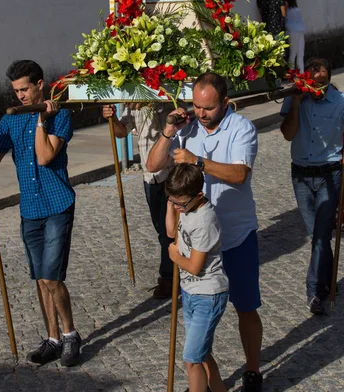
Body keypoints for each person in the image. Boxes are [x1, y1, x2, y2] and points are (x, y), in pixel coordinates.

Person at [147, 72, 263, 392]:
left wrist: (199, 162)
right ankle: (203, 377)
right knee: (198, 322)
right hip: (195, 240)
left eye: (208, 108)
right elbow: (153, 165)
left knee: (246, 306)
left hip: (235, 235)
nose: (201, 113)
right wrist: (169, 131)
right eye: (197, 106)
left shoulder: (242, 129)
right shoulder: (187, 128)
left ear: (225, 103)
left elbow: (240, 174)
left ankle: (252, 370)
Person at [0, 60, 81, 366]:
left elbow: (44, 157)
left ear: (40, 84)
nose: (20, 96)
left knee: (52, 277)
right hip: (29, 208)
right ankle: (53, 339)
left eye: (25, 89)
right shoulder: (11, 120)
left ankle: (71, 336)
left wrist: (43, 119)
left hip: (57, 204)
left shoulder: (61, 116)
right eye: (16, 90)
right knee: (41, 280)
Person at [280, 58, 344, 315]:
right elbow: (288, 134)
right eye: (312, 69)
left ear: (328, 74)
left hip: (331, 174)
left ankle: (314, 291)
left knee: (320, 237)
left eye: (322, 69)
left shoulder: (340, 102)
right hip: (301, 176)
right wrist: (295, 102)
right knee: (317, 238)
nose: (317, 74)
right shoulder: (294, 99)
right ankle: (328, 282)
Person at [102, 103, 176, 298]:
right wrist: (112, 118)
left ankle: (169, 277)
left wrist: (152, 102)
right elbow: (121, 132)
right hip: (150, 175)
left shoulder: (166, 93)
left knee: (168, 230)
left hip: (174, 171)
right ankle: (175, 271)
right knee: (161, 228)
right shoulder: (133, 100)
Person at [165, 163, 228, 392]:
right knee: (201, 354)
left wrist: (174, 255)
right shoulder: (186, 208)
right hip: (190, 293)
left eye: (180, 203)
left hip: (208, 295)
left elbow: (193, 266)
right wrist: (172, 203)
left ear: (199, 195)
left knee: (191, 359)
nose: (177, 207)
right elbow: (171, 232)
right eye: (173, 201)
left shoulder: (204, 220)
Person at [283, 0, 305, 73]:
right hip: (292, 30)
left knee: (301, 54)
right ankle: (291, 73)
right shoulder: (285, 3)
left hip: (300, 30)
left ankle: (301, 74)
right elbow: (283, 16)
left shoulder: (294, 4)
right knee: (293, 53)